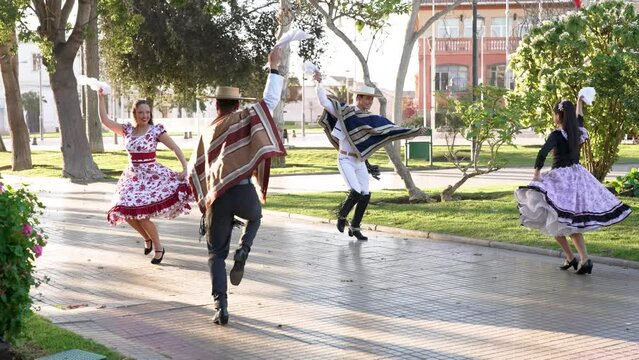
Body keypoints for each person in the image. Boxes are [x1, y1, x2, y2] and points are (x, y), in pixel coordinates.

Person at [187, 47, 286, 325]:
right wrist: (273, 67)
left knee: (216, 254)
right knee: (255, 217)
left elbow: (196, 169)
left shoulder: (208, 131)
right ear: (237, 104)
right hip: (244, 191)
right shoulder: (245, 118)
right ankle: (244, 249)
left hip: (218, 198)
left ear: (217, 105)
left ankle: (221, 307)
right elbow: (270, 100)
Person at [514, 97, 631, 275]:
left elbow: (542, 152)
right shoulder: (578, 132)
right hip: (577, 177)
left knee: (554, 218)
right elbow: (580, 118)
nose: (554, 117)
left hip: (560, 179)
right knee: (563, 221)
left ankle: (577, 258)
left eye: (555, 114)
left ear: (559, 116)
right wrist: (579, 102)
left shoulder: (557, 135)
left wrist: (537, 173)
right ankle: (578, 259)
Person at [313, 70, 426, 241]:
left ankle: (355, 227)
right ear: (358, 98)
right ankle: (342, 216)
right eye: (366, 98)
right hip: (345, 159)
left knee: (366, 193)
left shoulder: (373, 119)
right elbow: (324, 101)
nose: (369, 102)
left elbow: (392, 129)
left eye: (371, 99)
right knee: (356, 192)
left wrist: (414, 132)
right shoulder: (345, 112)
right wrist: (318, 83)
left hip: (359, 161)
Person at [98, 91, 193, 265]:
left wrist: (185, 167)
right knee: (125, 212)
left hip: (151, 177)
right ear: (134, 114)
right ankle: (146, 239)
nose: (145, 116)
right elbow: (105, 120)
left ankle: (158, 247)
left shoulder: (155, 130)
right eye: (141, 112)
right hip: (132, 177)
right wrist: (101, 97)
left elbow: (175, 148)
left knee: (142, 216)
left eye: (148, 113)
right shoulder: (127, 130)